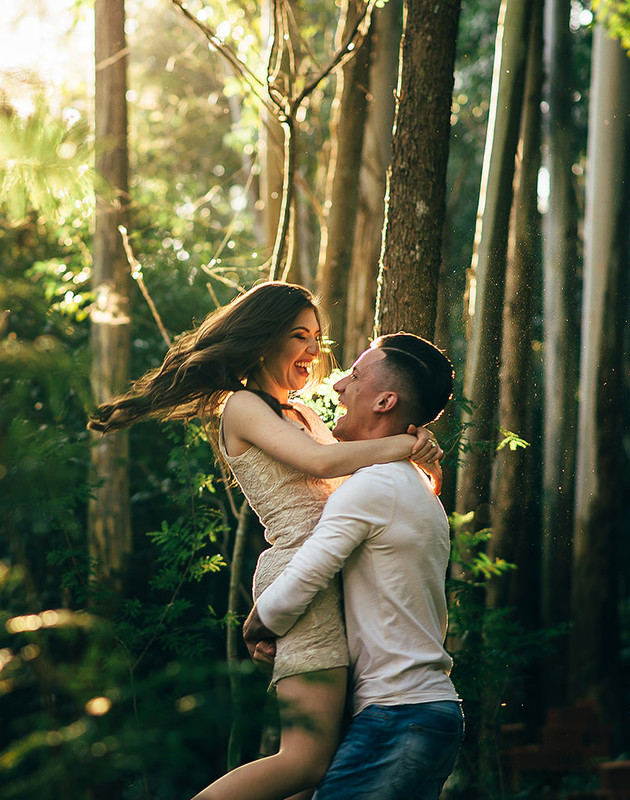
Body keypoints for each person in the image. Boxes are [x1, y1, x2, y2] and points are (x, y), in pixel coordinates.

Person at [89, 283, 442, 800]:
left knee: (315, 770)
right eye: (299, 336)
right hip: (303, 572)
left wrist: (425, 462)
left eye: (317, 338)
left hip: (331, 579)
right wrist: (406, 443)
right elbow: (324, 465)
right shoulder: (242, 407)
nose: (313, 352)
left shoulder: (302, 413)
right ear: (264, 338)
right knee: (303, 762)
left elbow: (377, 493)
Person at [237, 332, 462, 800]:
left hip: (397, 717)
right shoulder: (409, 483)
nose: (338, 384)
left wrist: (260, 623)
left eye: (355, 376)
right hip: (425, 712)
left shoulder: (374, 487)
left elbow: (307, 572)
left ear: (385, 400)